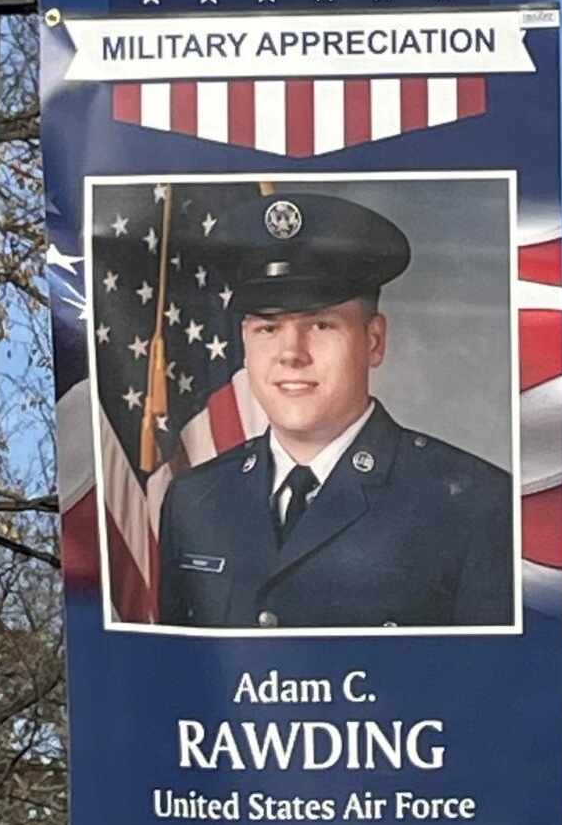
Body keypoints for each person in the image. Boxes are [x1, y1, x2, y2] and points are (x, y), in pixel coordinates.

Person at [157, 192, 514, 629]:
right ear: (245, 344)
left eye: (321, 325)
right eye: (268, 327)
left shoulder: (474, 506)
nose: (291, 354)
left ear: (374, 341)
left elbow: (491, 692)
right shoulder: (194, 500)